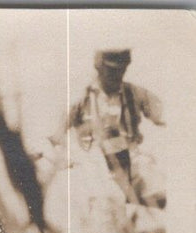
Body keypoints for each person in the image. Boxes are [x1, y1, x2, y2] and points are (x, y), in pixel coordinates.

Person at [58, 48, 165, 207]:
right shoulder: (81, 96)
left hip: (131, 157)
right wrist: (70, 156)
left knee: (156, 189)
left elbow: (166, 120)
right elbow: (56, 134)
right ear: (99, 67)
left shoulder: (134, 92)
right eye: (112, 70)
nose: (118, 75)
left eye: (122, 69)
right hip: (96, 161)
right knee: (105, 203)